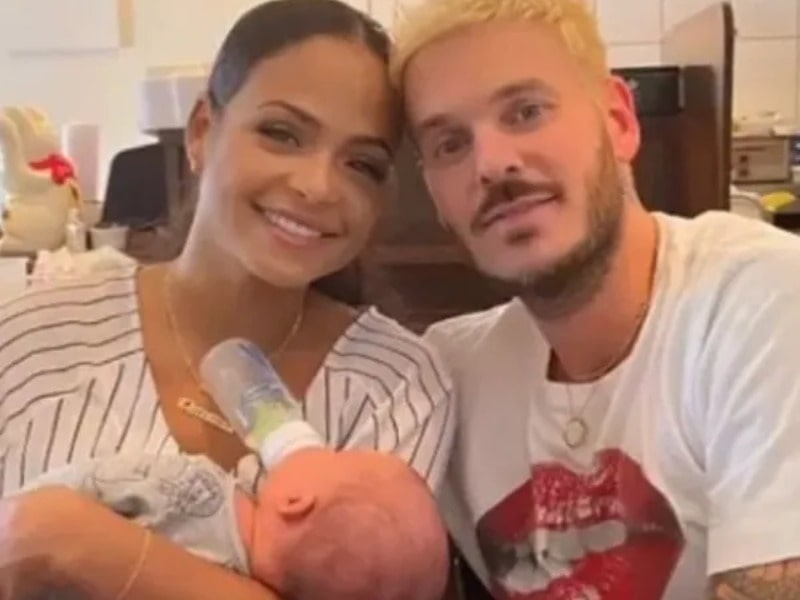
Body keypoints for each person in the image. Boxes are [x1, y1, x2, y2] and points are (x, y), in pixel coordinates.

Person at [0, 1, 454, 598]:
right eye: (282, 133)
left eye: (361, 163)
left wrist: (69, 543)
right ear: (202, 131)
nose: (317, 186)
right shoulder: (34, 337)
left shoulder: (396, 387)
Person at [391, 0, 800, 598]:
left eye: (526, 111)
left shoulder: (757, 302)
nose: (492, 164)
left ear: (619, 121)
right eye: (451, 144)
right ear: (433, 193)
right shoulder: (447, 375)